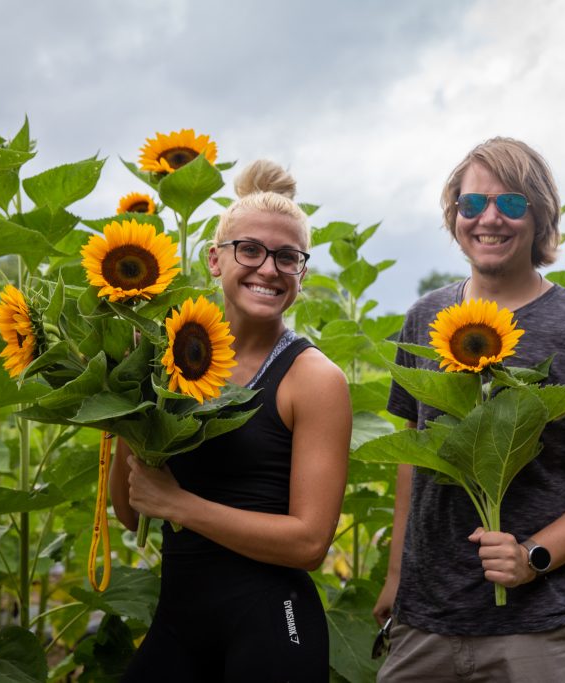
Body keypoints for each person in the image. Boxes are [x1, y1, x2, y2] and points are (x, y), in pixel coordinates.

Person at [373, 137, 565, 682]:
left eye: (512, 204)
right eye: (472, 205)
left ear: (541, 216)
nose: (489, 219)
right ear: (455, 216)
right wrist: (396, 576)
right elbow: (414, 457)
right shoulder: (425, 318)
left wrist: (533, 556)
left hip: (538, 628)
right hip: (426, 621)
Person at [112, 160, 352, 682]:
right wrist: (126, 397)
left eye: (287, 258)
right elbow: (131, 513)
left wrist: (178, 504)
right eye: (250, 250)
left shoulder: (313, 379)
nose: (268, 269)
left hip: (271, 625)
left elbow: (310, 544)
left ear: (301, 273)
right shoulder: (167, 357)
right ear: (216, 260)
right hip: (178, 623)